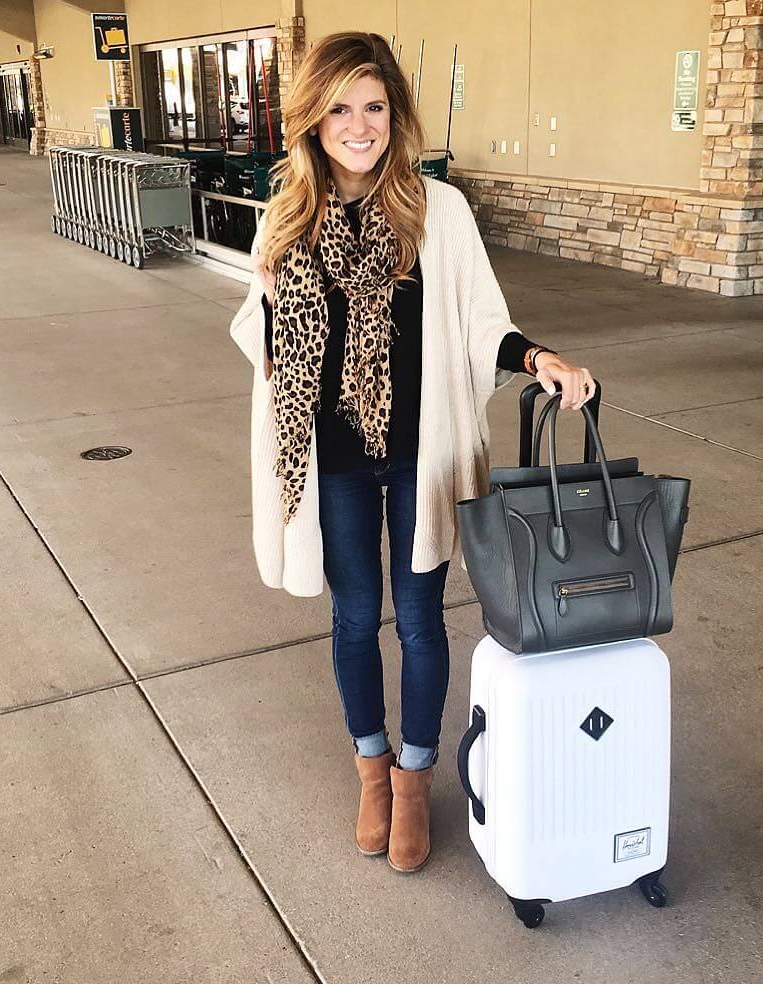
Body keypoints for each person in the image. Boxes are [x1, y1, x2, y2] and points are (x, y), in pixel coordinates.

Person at [229, 31, 595, 874]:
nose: (359, 126)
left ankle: (416, 779)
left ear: (395, 116)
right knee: (355, 618)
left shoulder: (439, 212)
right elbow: (263, 337)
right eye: (340, 109)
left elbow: (481, 323)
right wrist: (284, 308)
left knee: (421, 622)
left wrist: (538, 359)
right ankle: (371, 768)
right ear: (313, 121)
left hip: (417, 456)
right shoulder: (289, 213)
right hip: (333, 461)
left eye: (375, 107)